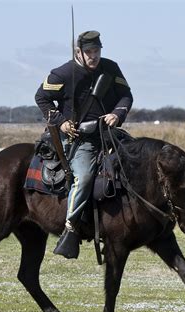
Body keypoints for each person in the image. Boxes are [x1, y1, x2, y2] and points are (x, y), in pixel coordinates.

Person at [35, 30, 133, 259]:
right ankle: (70, 227)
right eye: (89, 52)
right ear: (78, 52)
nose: (94, 56)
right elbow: (41, 97)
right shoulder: (63, 73)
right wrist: (61, 122)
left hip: (108, 134)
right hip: (80, 140)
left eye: (97, 51)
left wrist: (117, 114)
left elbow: (126, 96)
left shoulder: (110, 68)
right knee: (85, 177)